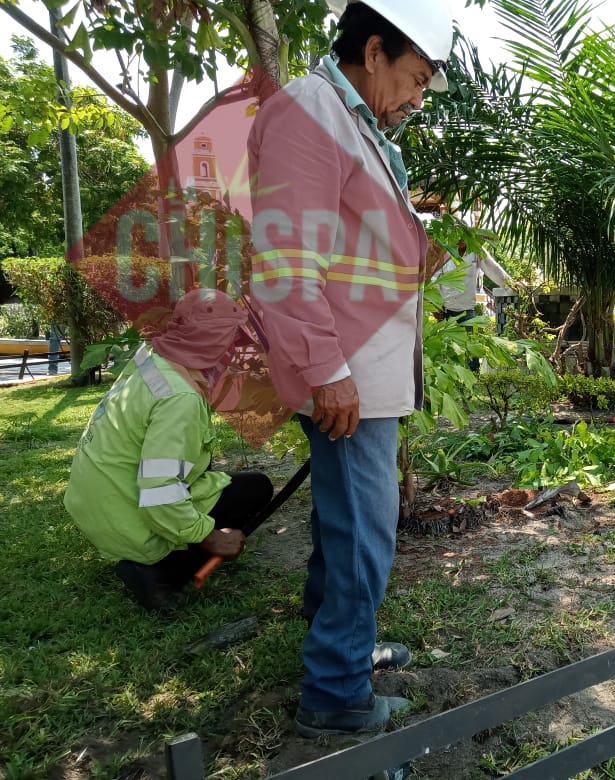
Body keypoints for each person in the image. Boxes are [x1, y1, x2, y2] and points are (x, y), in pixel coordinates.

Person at [247, 0, 454, 737]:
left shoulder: (350, 118)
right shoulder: (311, 113)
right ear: (374, 52)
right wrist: (327, 370)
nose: (417, 99)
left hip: (363, 369)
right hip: (349, 374)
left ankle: (339, 649)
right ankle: (334, 696)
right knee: (367, 532)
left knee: (347, 526)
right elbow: (284, 260)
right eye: (416, 79)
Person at [63, 288, 274, 610]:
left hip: (101, 506)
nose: (237, 350)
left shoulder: (153, 359)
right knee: (255, 490)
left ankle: (148, 556)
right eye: (234, 340)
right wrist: (211, 536)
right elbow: (159, 490)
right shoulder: (180, 399)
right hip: (128, 518)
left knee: (237, 483)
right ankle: (157, 570)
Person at [436, 238, 513, 370]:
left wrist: (511, 284)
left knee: (472, 354)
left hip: (467, 311)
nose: (460, 239)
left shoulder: (476, 250)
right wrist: (435, 306)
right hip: (445, 311)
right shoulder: (444, 250)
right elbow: (435, 277)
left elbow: (492, 267)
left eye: (463, 235)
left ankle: (472, 386)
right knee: (447, 354)